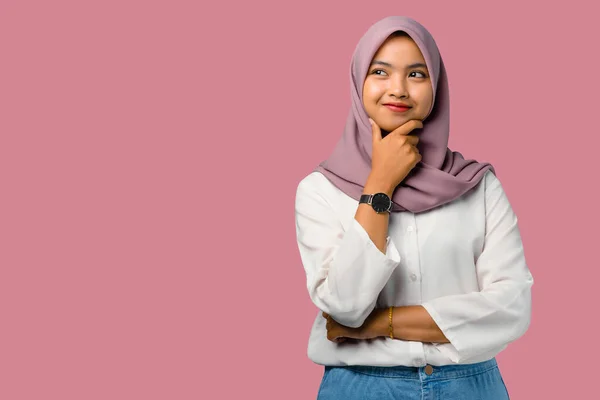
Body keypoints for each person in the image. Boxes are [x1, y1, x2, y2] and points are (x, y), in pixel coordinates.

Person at [293, 16, 534, 400]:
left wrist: (380, 325)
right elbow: (345, 307)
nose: (399, 89)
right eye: (380, 71)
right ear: (359, 82)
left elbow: (512, 307)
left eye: (417, 74)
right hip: (360, 387)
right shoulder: (320, 191)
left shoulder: (477, 185)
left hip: (470, 386)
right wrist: (380, 184)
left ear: (436, 86)